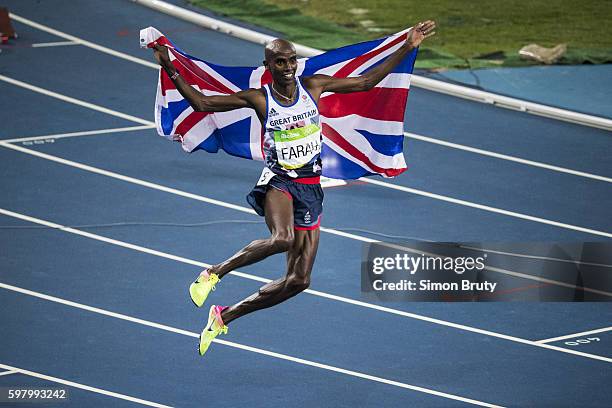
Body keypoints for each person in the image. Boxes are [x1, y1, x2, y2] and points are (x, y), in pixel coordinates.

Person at [152, 20, 436, 356]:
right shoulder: (260, 98)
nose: (287, 67)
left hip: (310, 187)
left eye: (291, 61)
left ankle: (224, 316)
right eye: (280, 62)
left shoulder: (313, 86)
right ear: (268, 66)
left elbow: (366, 81)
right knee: (282, 238)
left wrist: (408, 44)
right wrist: (169, 65)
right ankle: (214, 272)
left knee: (299, 281)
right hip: (279, 182)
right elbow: (202, 104)